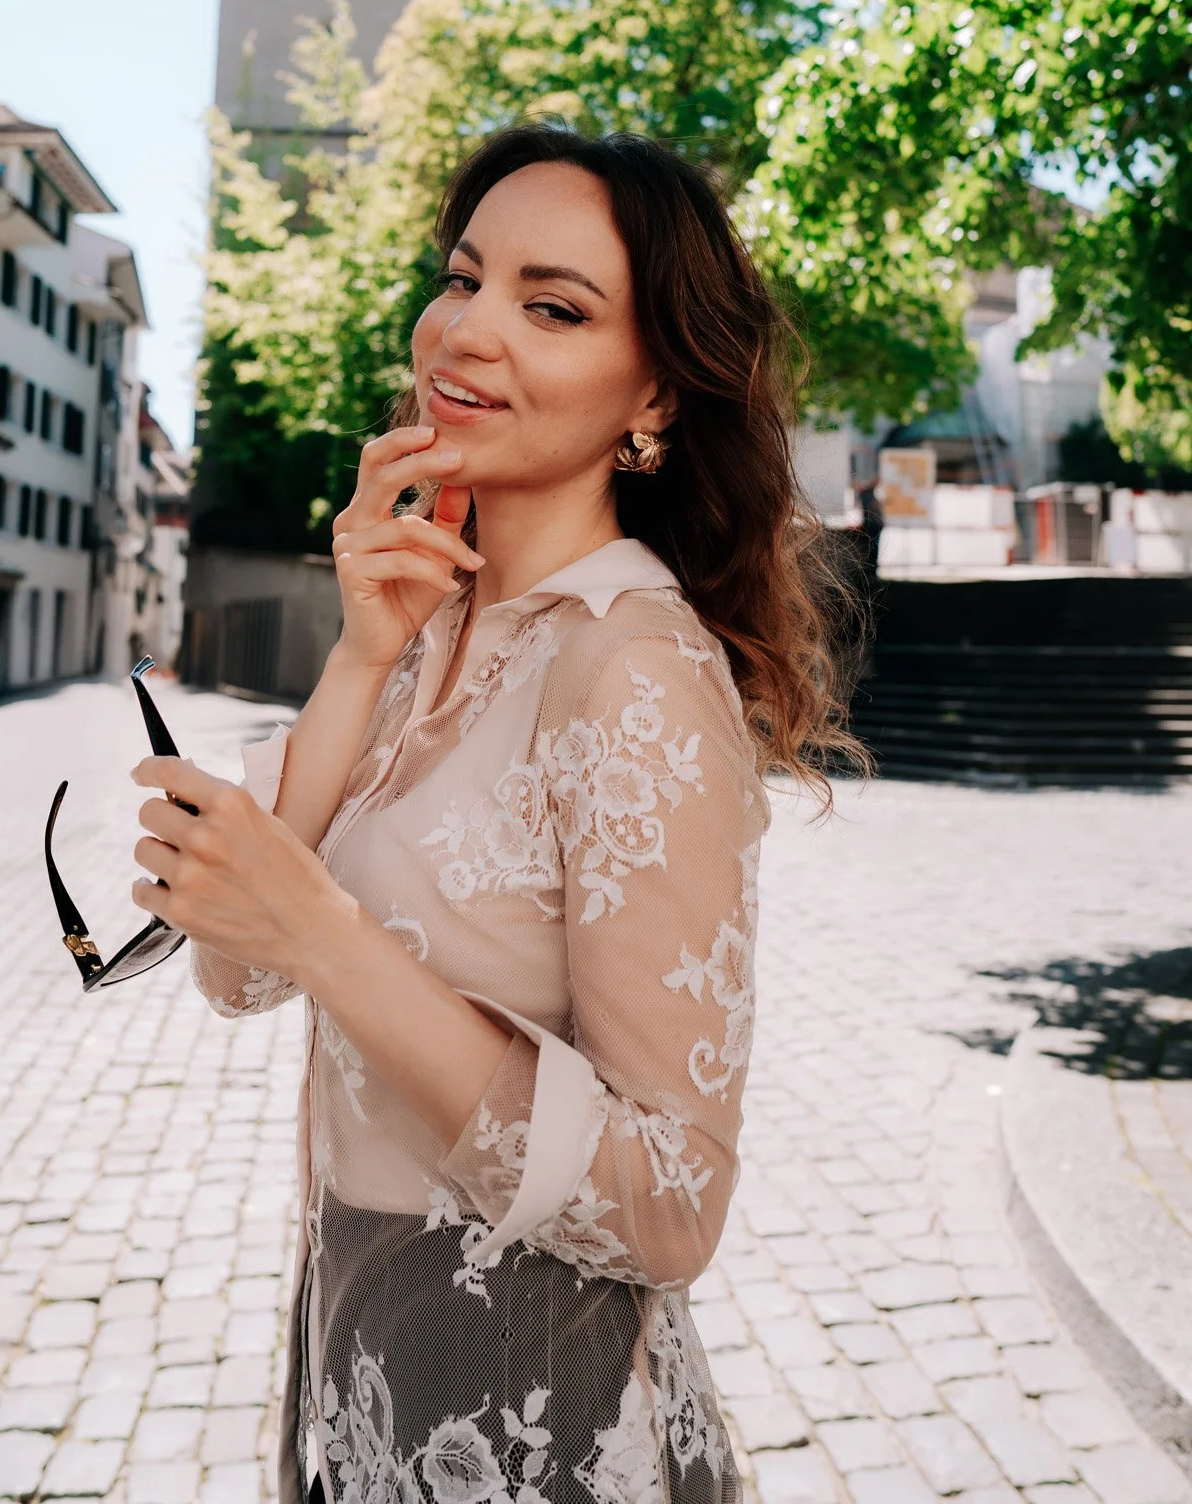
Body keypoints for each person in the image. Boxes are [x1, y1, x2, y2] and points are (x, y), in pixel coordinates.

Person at [130, 126, 865, 1504]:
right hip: (361, 1357)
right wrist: (356, 658)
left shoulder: (632, 668)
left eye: (553, 306)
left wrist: (333, 937)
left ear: (652, 391)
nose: (466, 331)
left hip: (536, 1412)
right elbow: (236, 967)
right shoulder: (421, 629)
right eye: (463, 278)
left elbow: (671, 1202)